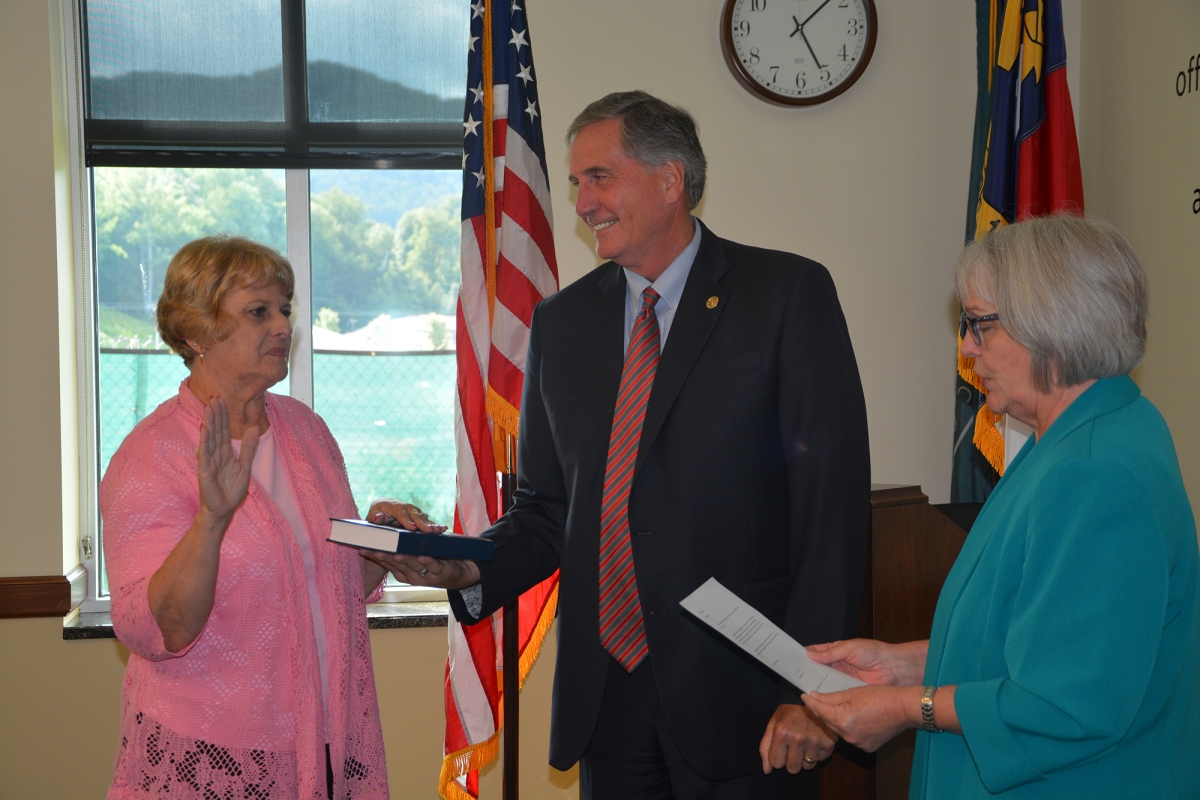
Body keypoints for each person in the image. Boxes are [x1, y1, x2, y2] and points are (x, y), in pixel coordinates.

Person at [375, 91, 871, 799]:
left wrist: (818, 690)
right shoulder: (564, 323)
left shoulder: (785, 294)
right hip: (607, 696)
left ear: (670, 181)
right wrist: (460, 569)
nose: (582, 202)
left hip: (749, 697)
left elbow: (831, 514)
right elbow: (548, 510)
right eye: (578, 183)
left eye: (599, 177)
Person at [801, 215, 1200, 798]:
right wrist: (904, 664)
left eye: (980, 325)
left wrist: (909, 707)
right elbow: (1038, 638)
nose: (966, 349)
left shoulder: (1092, 473)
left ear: (1052, 323)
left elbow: (1066, 705)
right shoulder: (1090, 428)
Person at [101, 236, 441, 800]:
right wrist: (212, 520)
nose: (283, 326)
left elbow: (326, 587)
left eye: (284, 309)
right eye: (259, 312)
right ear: (198, 332)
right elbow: (158, 631)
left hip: (330, 739)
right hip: (214, 757)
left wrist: (380, 546)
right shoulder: (150, 456)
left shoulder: (306, 431)